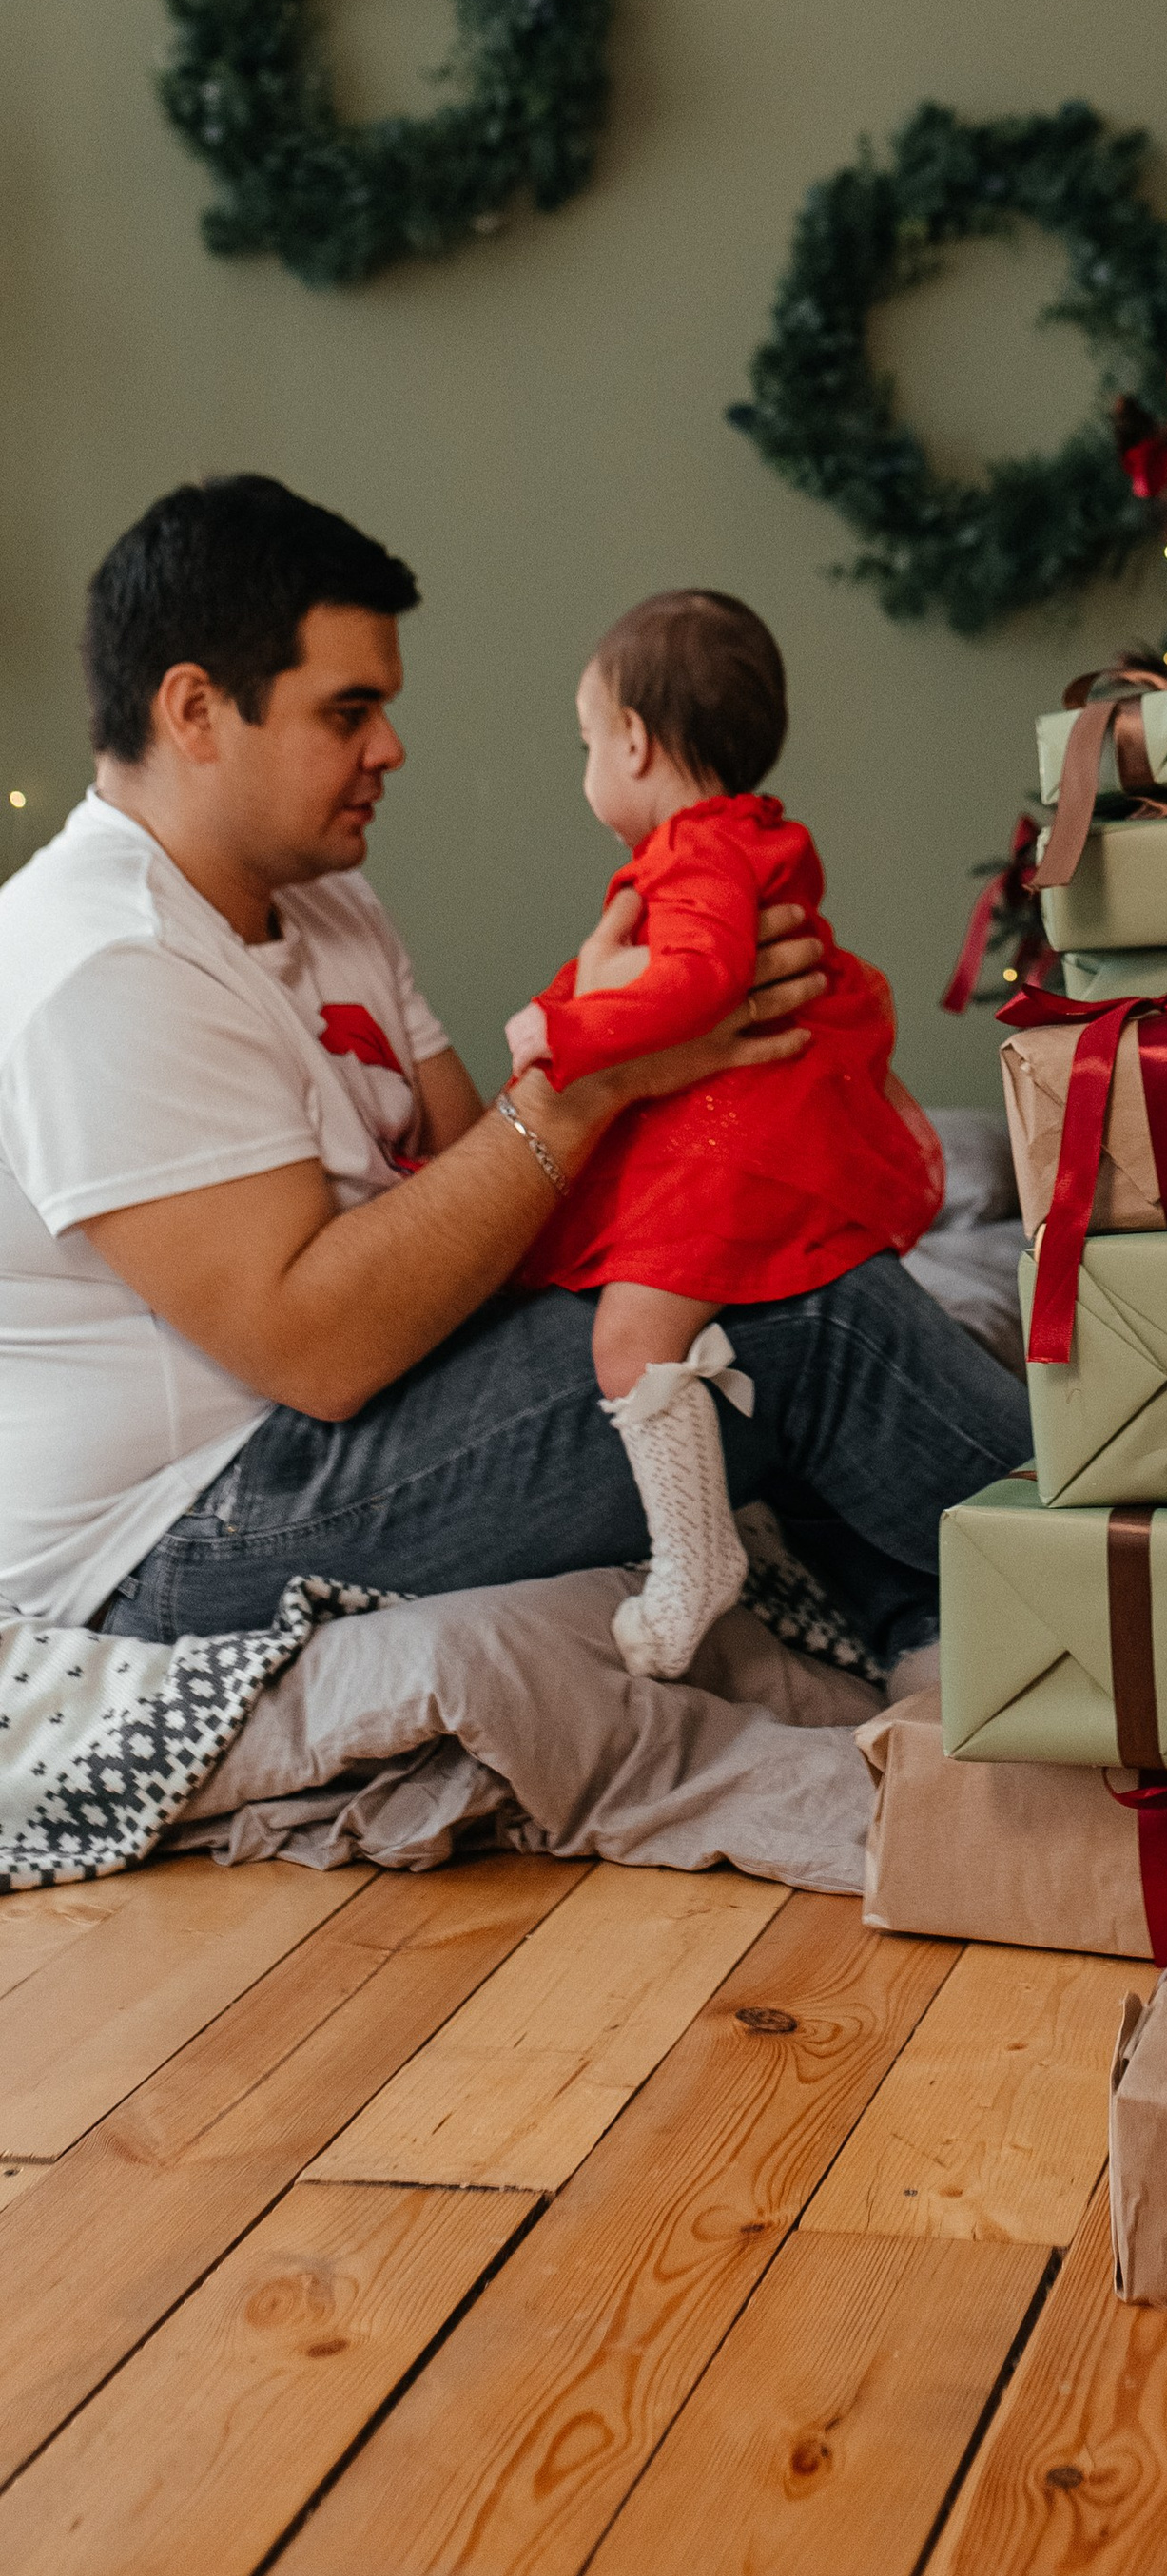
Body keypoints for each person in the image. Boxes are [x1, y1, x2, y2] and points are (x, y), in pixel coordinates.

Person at [0, 475, 1028, 1666]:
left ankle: (947, 1627)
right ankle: (1126, 1573)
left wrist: (629, 1039)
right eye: (348, 710)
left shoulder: (324, 900)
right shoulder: (103, 963)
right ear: (194, 709)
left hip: (365, 1395)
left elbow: (473, 1178)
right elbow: (317, 1350)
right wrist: (602, 1068)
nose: (391, 746)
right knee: (787, 1306)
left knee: (740, 1241)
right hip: (189, 1526)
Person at [503, 587, 945, 1677]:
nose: (588, 766)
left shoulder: (699, 856)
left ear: (636, 742)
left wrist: (560, 1024)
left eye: (586, 740)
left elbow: (698, 980)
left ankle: (695, 1559)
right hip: (740, 1122)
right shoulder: (729, 841)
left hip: (738, 1137)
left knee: (627, 1339)